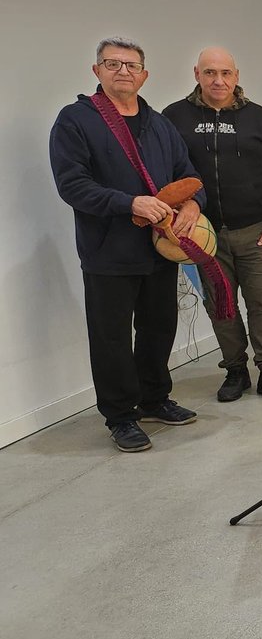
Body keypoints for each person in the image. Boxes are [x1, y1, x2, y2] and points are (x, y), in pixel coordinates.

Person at [49, 37, 202, 453]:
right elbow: (73, 185)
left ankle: (154, 398)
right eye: (112, 63)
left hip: (159, 248)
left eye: (132, 65)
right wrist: (128, 202)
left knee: (158, 327)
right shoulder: (76, 120)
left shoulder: (158, 122)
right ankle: (120, 416)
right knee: (111, 337)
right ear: (96, 70)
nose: (123, 71)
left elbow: (187, 173)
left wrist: (192, 204)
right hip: (108, 250)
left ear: (144, 75)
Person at [164, 47, 262, 402]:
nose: (218, 80)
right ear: (197, 74)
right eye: (210, 73)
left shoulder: (259, 118)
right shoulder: (175, 117)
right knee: (220, 305)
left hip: (256, 231)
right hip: (203, 235)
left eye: (225, 73)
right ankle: (236, 369)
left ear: (237, 76)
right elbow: (166, 174)